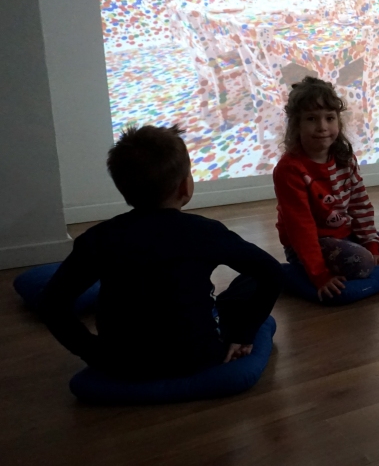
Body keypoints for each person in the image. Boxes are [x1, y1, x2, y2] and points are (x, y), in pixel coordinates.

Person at [39, 125, 283, 380]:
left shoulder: (98, 238)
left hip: (121, 362)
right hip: (199, 358)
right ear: (185, 187)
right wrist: (244, 334)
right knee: (247, 283)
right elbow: (272, 272)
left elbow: (51, 304)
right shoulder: (205, 232)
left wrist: (95, 353)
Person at [273, 77, 379, 301]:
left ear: (338, 121)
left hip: (346, 234)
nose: (322, 127)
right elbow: (301, 228)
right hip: (309, 245)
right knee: (363, 264)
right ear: (296, 124)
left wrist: (372, 245)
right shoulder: (289, 169)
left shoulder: (344, 158)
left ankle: (361, 256)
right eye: (311, 119)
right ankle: (292, 273)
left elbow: (360, 205)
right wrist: (319, 275)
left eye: (329, 118)